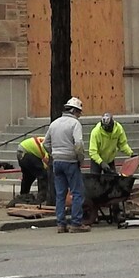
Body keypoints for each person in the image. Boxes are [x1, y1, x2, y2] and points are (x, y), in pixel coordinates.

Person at [47, 97, 87, 233]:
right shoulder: (75, 124)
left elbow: (45, 143)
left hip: (57, 162)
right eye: (79, 112)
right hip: (70, 161)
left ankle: (61, 224)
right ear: (75, 111)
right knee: (77, 193)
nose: (79, 115)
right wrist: (80, 159)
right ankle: (76, 224)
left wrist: (53, 154)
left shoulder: (54, 123)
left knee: (60, 194)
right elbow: (79, 144)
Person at [16, 132, 50, 205]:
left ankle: (23, 196)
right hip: (27, 152)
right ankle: (41, 199)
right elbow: (47, 161)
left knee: (28, 177)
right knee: (43, 175)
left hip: (22, 151)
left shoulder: (48, 141)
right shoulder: (51, 145)